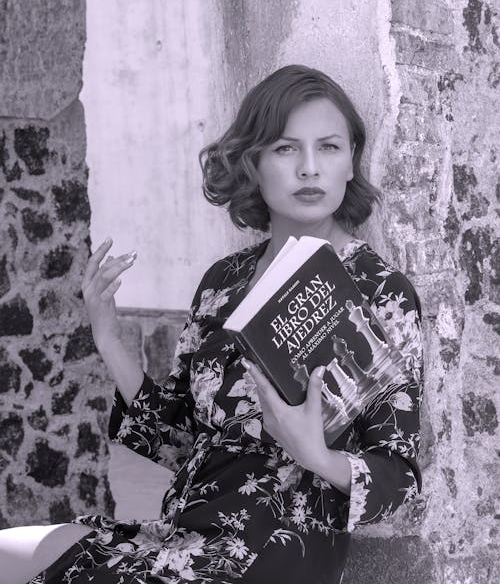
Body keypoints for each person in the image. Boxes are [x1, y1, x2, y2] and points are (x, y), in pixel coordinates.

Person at [1, 64, 423, 584]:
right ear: (254, 162)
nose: (310, 168)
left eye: (330, 147)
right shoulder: (223, 282)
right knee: (9, 552)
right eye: (286, 149)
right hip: (183, 534)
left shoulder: (381, 291)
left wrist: (315, 455)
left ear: (351, 161)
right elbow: (180, 440)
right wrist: (109, 339)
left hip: (274, 548)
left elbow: (397, 475)